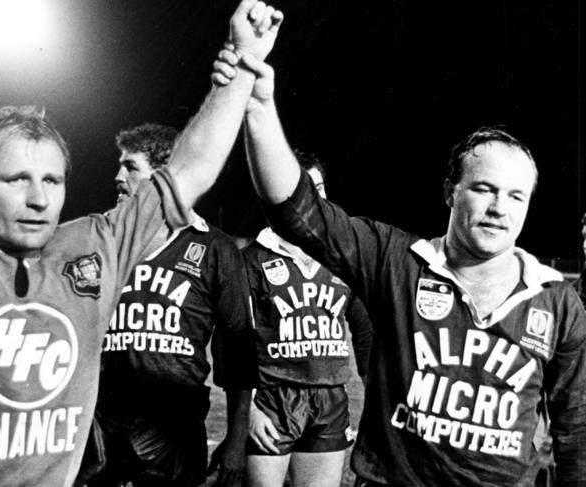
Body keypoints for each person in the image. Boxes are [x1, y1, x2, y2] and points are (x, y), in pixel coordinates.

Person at [0, 2, 282, 485]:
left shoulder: (94, 247)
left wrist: (243, 61)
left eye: (52, 181)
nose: (38, 198)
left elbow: (188, 169)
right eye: (16, 180)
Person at [211, 53, 586, 485]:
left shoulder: (556, 300)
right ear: (451, 191)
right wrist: (258, 105)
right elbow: (300, 215)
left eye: (516, 196)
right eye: (484, 189)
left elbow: (575, 430)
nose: (500, 208)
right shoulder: (396, 261)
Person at [80, 122, 256, 487]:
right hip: (100, 425)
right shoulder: (100, 241)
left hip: (174, 430)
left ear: (162, 177)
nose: (117, 176)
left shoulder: (214, 248)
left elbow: (238, 354)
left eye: (130, 167)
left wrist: (237, 439)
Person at [242, 150, 372, 487]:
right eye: (300, 188)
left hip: (330, 398)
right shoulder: (251, 259)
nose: (311, 198)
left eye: (318, 187)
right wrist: (249, 411)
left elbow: (365, 334)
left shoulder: (345, 257)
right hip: (272, 397)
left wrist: (375, 413)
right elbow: (235, 339)